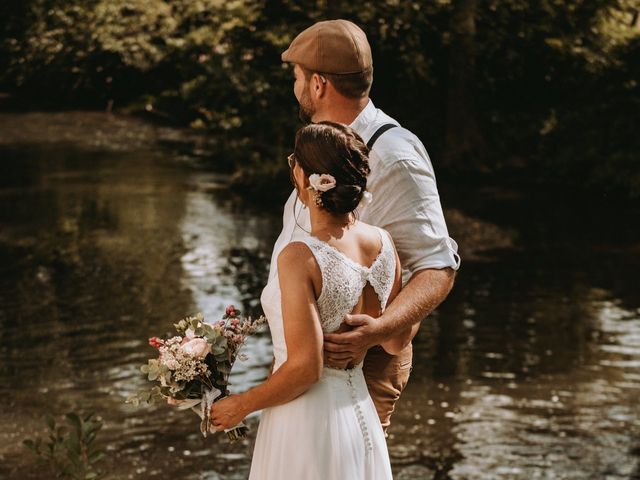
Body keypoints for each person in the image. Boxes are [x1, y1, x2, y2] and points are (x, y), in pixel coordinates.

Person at [274, 19, 461, 435]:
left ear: (318, 84)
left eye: (297, 77)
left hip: (361, 368)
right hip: (310, 363)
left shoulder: (395, 156)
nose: (295, 87)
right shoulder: (324, 145)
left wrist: (379, 331)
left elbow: (439, 267)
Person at [211, 122, 412, 479]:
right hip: (359, 411)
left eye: (295, 162)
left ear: (306, 177)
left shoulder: (300, 256)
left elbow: (306, 369)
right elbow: (396, 339)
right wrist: (373, 332)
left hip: (306, 419)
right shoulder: (383, 243)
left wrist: (240, 406)